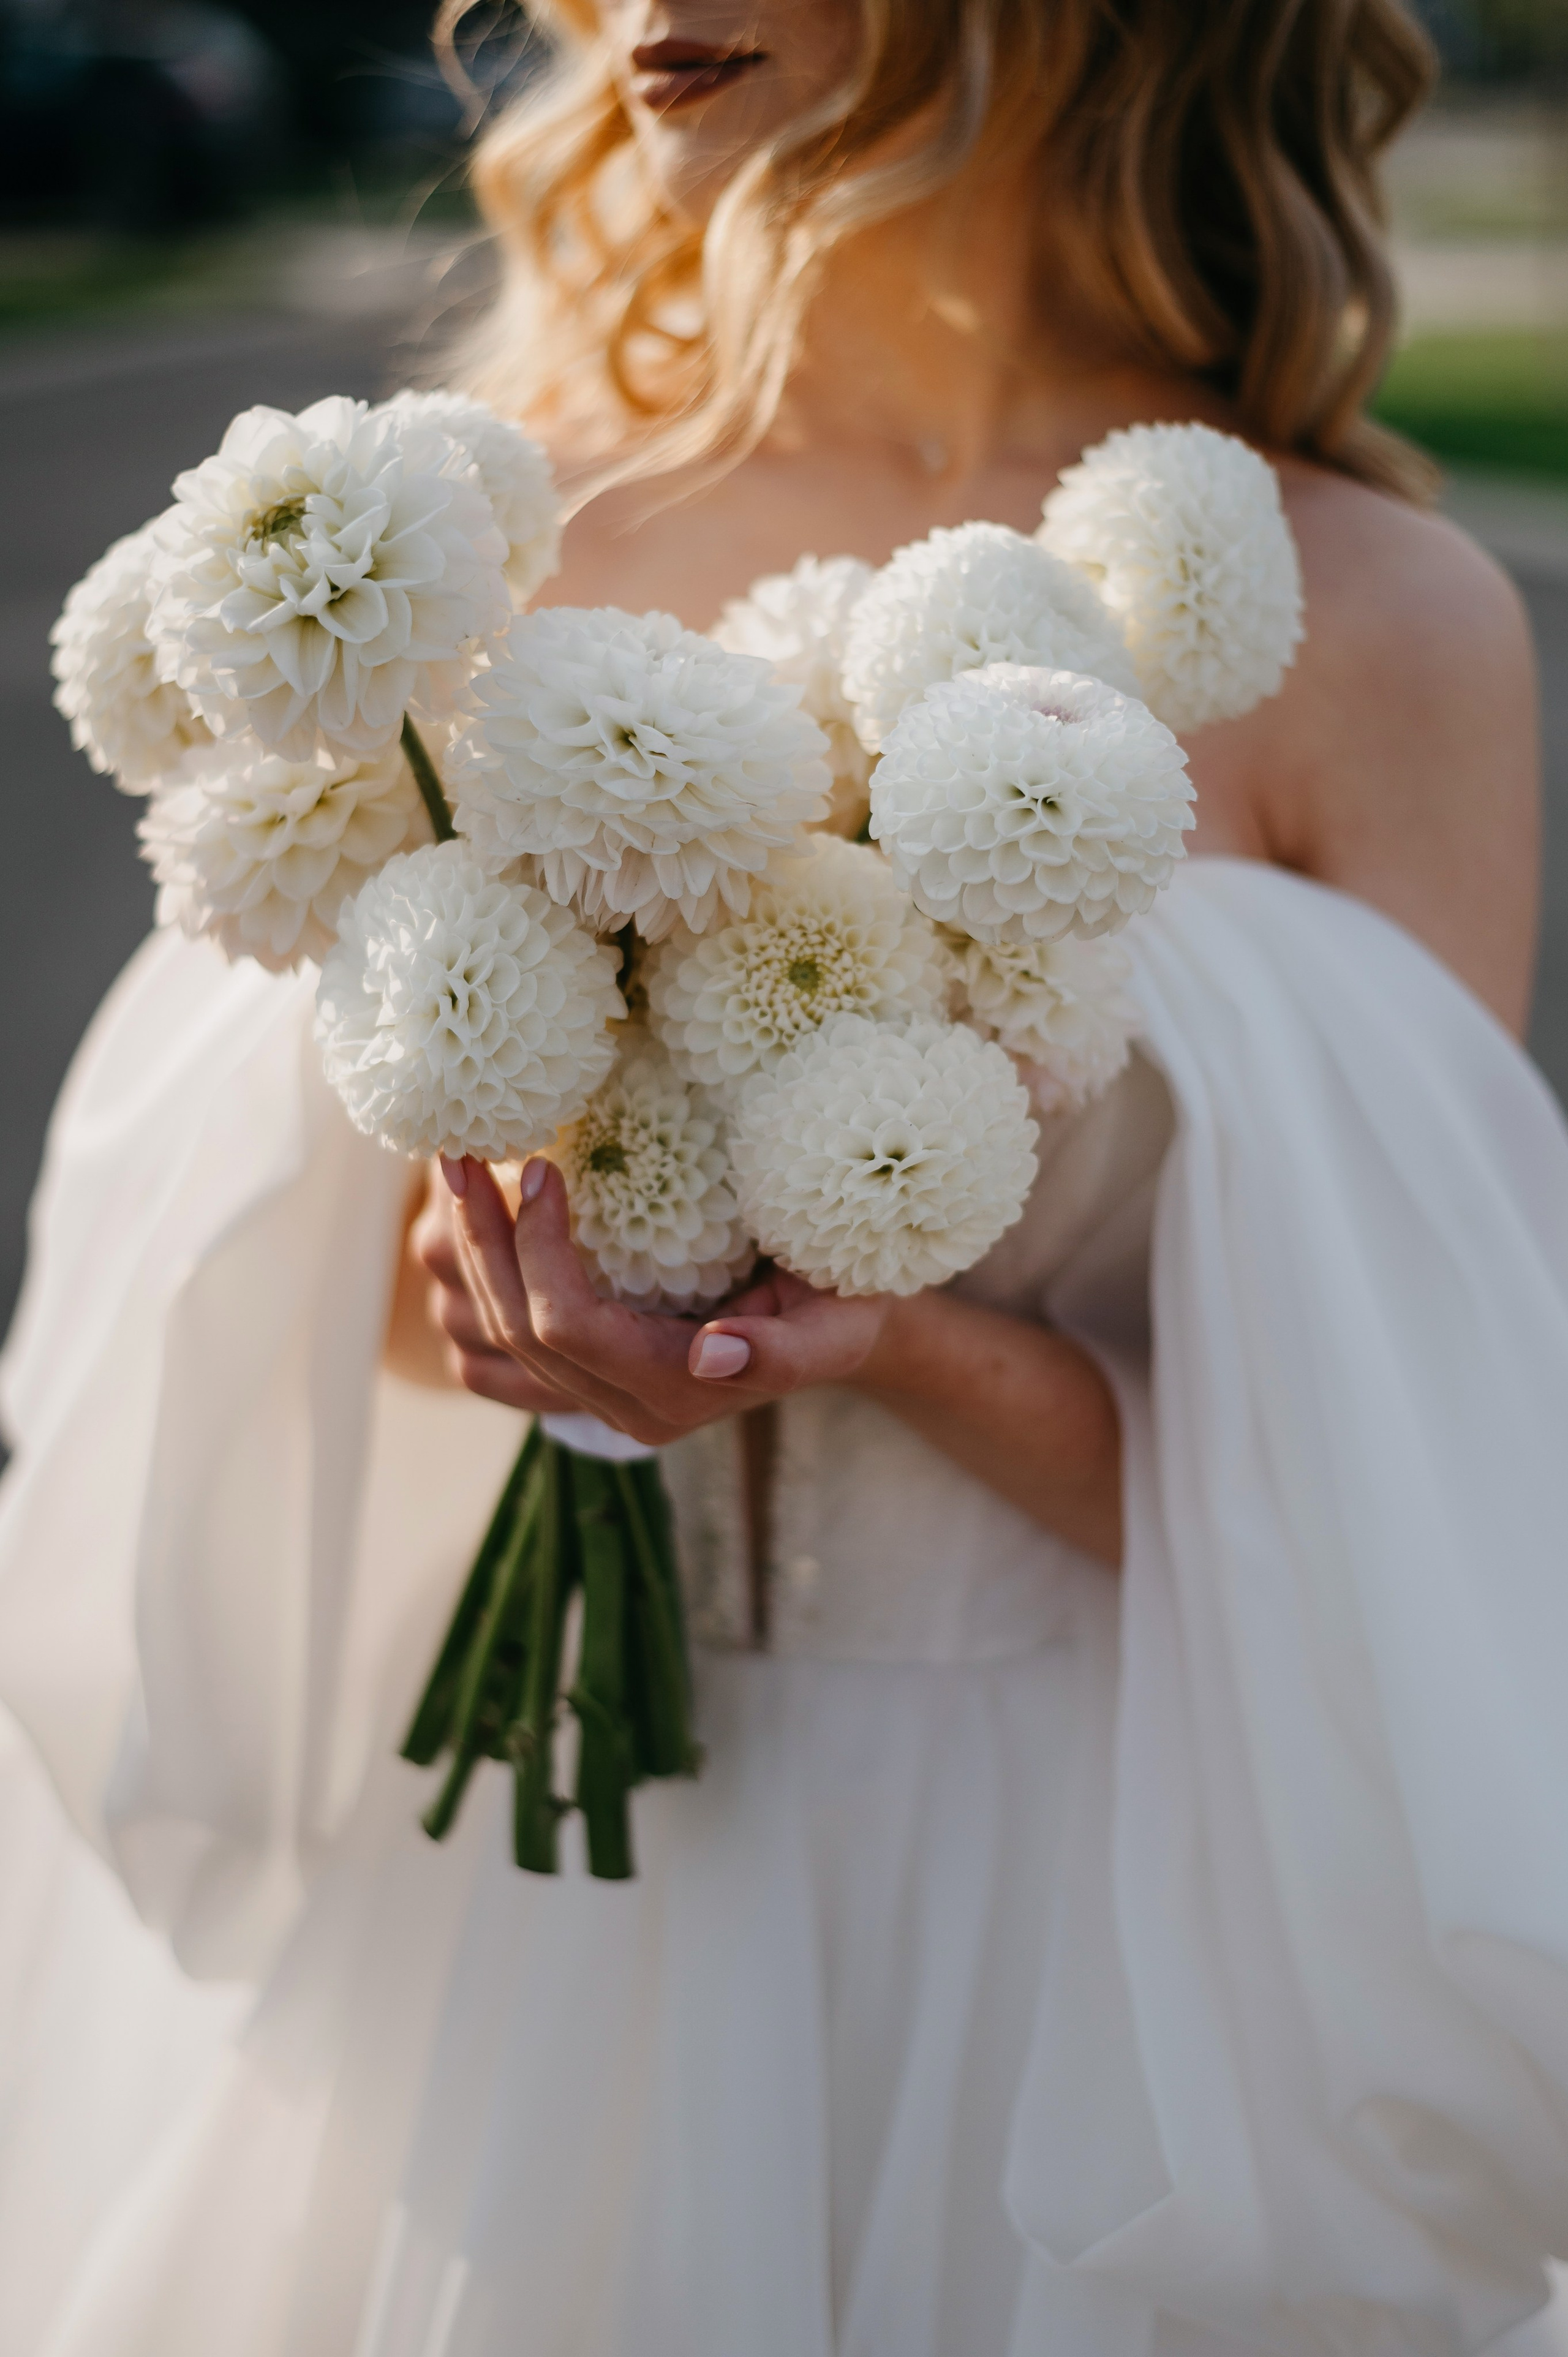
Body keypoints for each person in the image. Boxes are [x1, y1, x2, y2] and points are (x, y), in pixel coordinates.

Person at [2, 2, 1567, 2351]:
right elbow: (242, 1309)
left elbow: (1398, 1491)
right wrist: (500, 1286)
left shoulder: (1386, 634)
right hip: (521, 1904)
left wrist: (896, 1347)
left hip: (1086, 1924)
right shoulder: (470, 562)